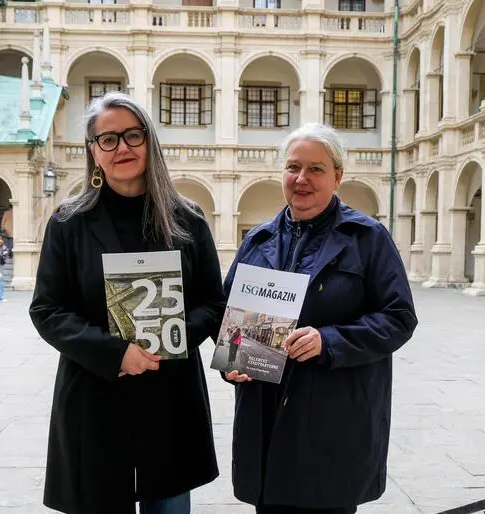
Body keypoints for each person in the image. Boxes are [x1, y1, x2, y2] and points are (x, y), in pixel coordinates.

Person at [28, 91, 225, 514]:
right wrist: (116, 353)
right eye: (109, 139)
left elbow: (214, 301)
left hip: (170, 398)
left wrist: (169, 338)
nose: (122, 148)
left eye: (133, 136)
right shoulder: (68, 223)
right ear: (93, 151)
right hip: (96, 397)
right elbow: (46, 310)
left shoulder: (187, 219)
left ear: (150, 142)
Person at [222, 123, 418, 514]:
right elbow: (226, 318)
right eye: (293, 167)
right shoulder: (257, 240)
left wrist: (330, 341)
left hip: (334, 418)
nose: (302, 179)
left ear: (338, 176)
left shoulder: (367, 237)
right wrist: (233, 362)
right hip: (265, 415)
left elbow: (399, 317)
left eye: (316, 169)